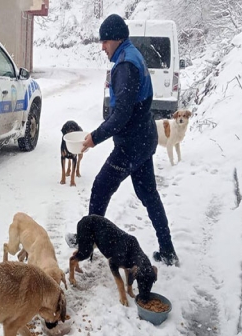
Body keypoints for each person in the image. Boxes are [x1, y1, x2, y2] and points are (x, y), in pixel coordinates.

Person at [81, 14, 178, 266]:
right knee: (149, 194)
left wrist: (95, 137)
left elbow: (121, 115)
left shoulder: (125, 65)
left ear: (117, 38)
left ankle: (88, 243)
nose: (102, 47)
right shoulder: (132, 54)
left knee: (101, 188)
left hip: (132, 144)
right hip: (144, 138)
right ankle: (167, 249)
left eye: (105, 42)